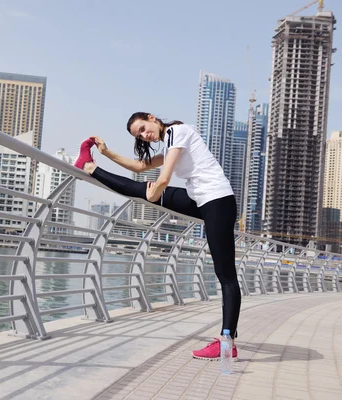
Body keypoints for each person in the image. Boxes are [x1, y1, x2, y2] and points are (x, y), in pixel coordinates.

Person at [73, 112, 240, 361]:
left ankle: (227, 342)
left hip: (217, 201)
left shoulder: (177, 132)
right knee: (142, 188)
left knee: (226, 275)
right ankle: (89, 166)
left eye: (143, 128)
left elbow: (164, 178)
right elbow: (140, 167)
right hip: (202, 200)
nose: (144, 135)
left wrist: (153, 194)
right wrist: (106, 153)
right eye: (139, 135)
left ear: (152, 118)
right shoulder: (172, 140)